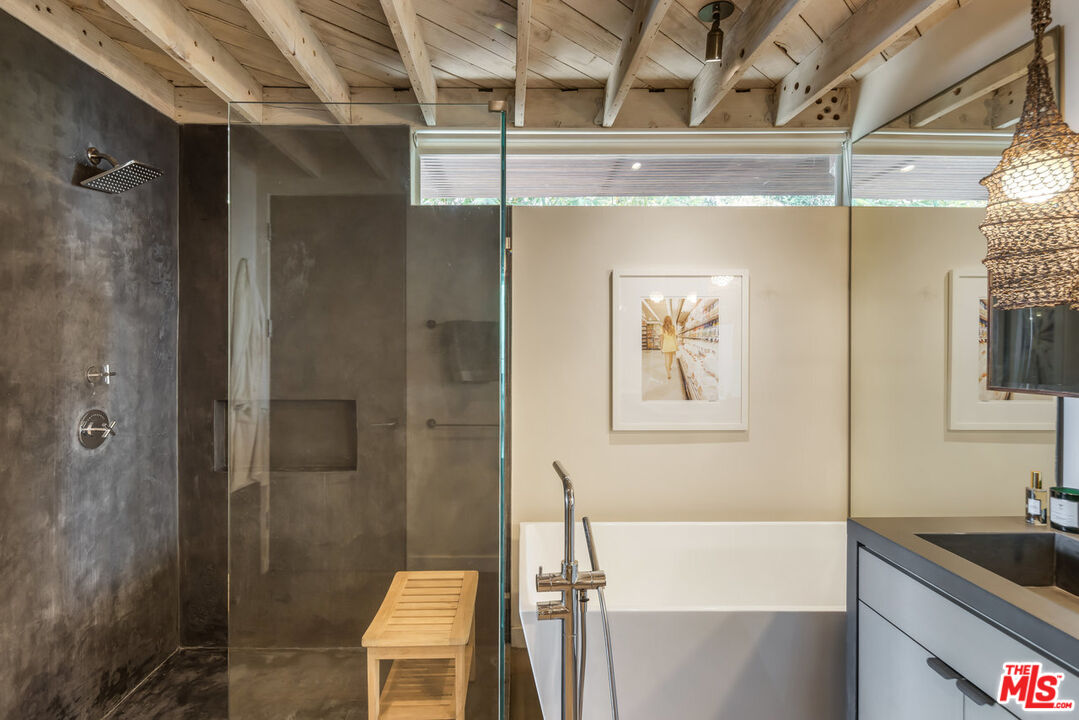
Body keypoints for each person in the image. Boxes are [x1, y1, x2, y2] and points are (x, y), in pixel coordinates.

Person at [661, 316, 678, 380]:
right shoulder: (673, 327)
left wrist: (661, 347)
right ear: (670, 320)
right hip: (672, 345)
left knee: (666, 360)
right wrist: (676, 346)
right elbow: (674, 338)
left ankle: (668, 374)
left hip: (665, 346)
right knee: (671, 359)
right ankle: (669, 367)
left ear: (664, 320)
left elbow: (661, 339)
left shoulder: (662, 328)